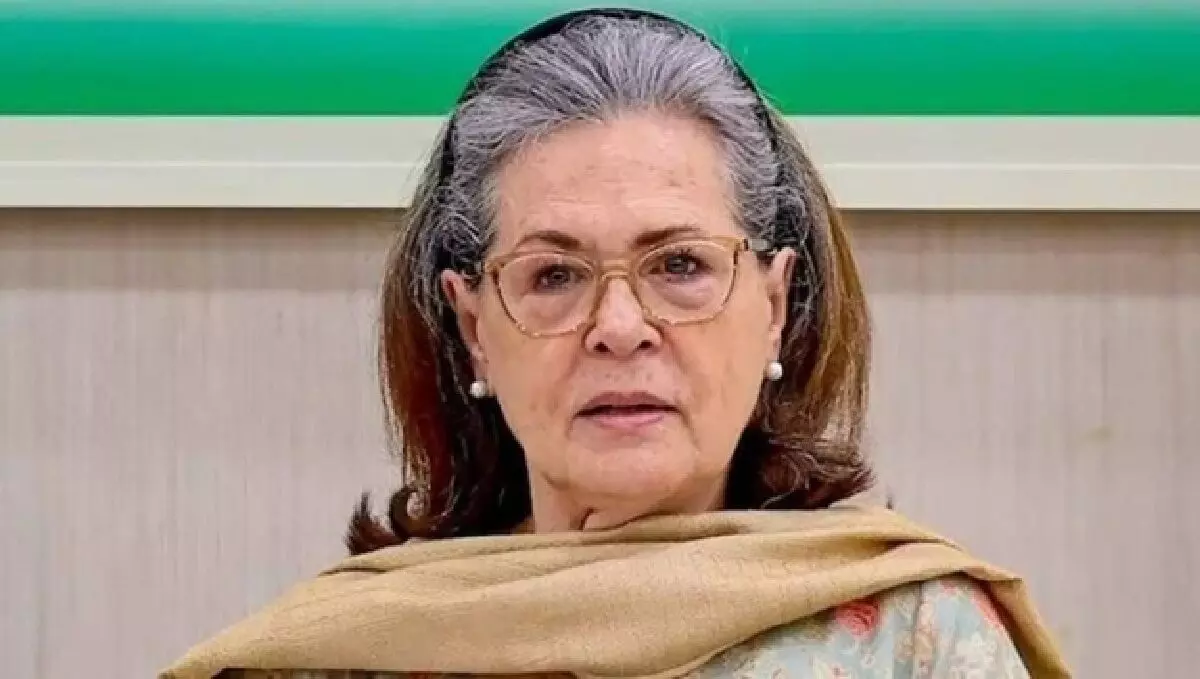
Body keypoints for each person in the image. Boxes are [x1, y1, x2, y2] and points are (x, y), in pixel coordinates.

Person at [163, 8, 1071, 679]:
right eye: (554, 274)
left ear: (774, 304)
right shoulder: (335, 656)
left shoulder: (920, 640)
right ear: (475, 330)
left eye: (679, 264)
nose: (620, 327)